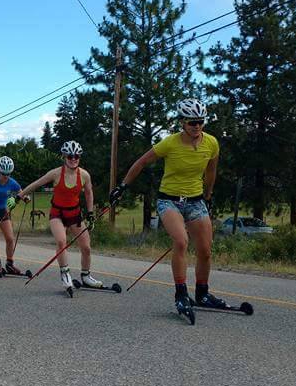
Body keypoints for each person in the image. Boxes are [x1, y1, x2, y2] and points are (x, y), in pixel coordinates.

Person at [109, 98, 226, 314]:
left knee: (205, 250)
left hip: (196, 200)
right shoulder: (170, 143)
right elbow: (141, 162)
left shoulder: (211, 143)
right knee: (181, 242)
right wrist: (122, 186)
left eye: (200, 121)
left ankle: (202, 293)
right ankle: (181, 295)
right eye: (192, 122)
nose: (197, 126)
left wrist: (208, 196)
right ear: (182, 122)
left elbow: (211, 171)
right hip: (169, 200)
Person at [19, 140, 104, 292]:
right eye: (70, 156)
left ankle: (86, 276)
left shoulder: (84, 175)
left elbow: (89, 193)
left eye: (76, 156)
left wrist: (90, 213)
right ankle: (65, 274)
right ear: (64, 157)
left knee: (86, 247)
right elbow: (36, 184)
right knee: (61, 241)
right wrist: (19, 196)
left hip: (75, 214)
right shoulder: (56, 173)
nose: (73, 159)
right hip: (57, 213)